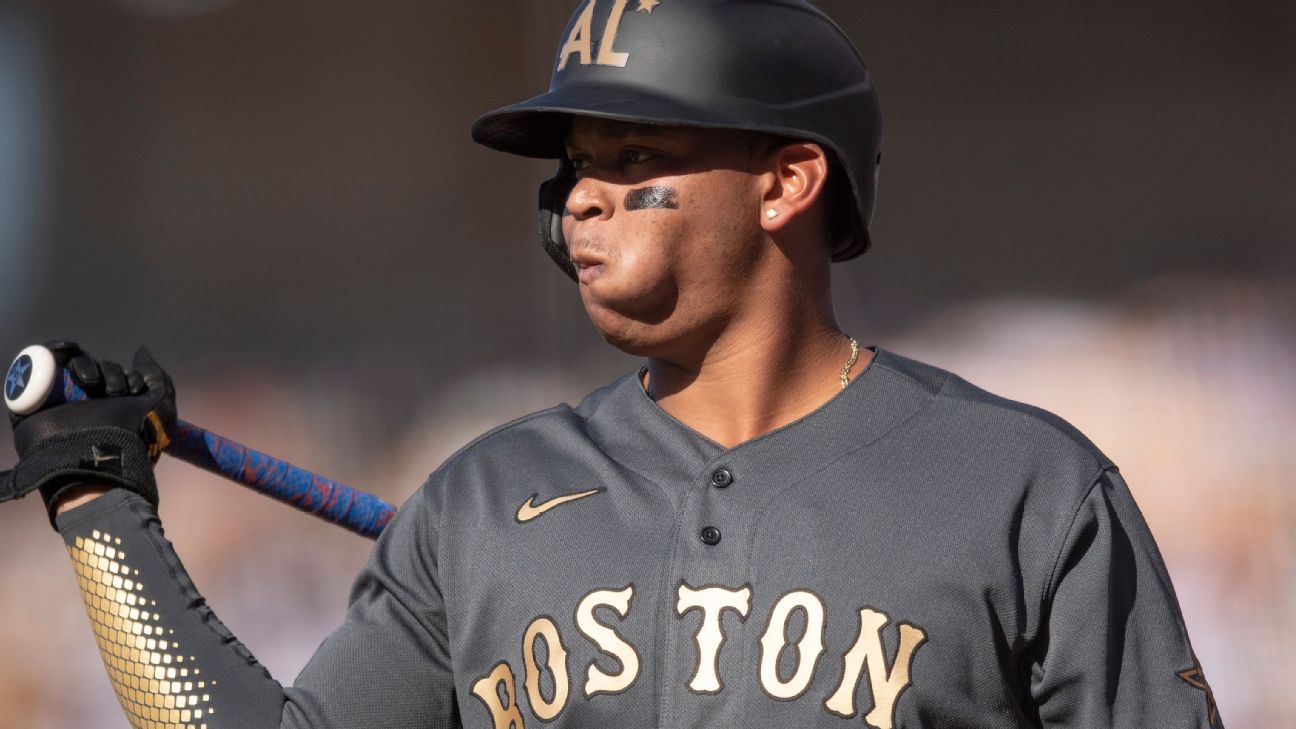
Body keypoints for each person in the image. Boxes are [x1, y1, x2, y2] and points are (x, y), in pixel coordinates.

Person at [0, 1, 1222, 727]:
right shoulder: (480, 507)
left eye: (635, 157)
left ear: (790, 182)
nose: (583, 198)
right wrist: (102, 510)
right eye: (573, 167)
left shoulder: (1022, 487)